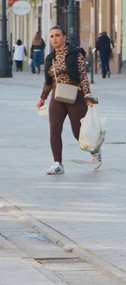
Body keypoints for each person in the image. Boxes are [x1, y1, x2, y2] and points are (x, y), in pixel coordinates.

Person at [35, 26, 100, 174]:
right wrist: (42, 98)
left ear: (64, 37)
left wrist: (87, 96)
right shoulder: (50, 58)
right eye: (51, 36)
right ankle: (57, 163)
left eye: (57, 35)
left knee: (78, 132)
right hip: (57, 96)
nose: (54, 39)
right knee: (54, 129)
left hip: (74, 95)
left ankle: (95, 152)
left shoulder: (74, 54)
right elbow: (48, 81)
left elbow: (83, 76)